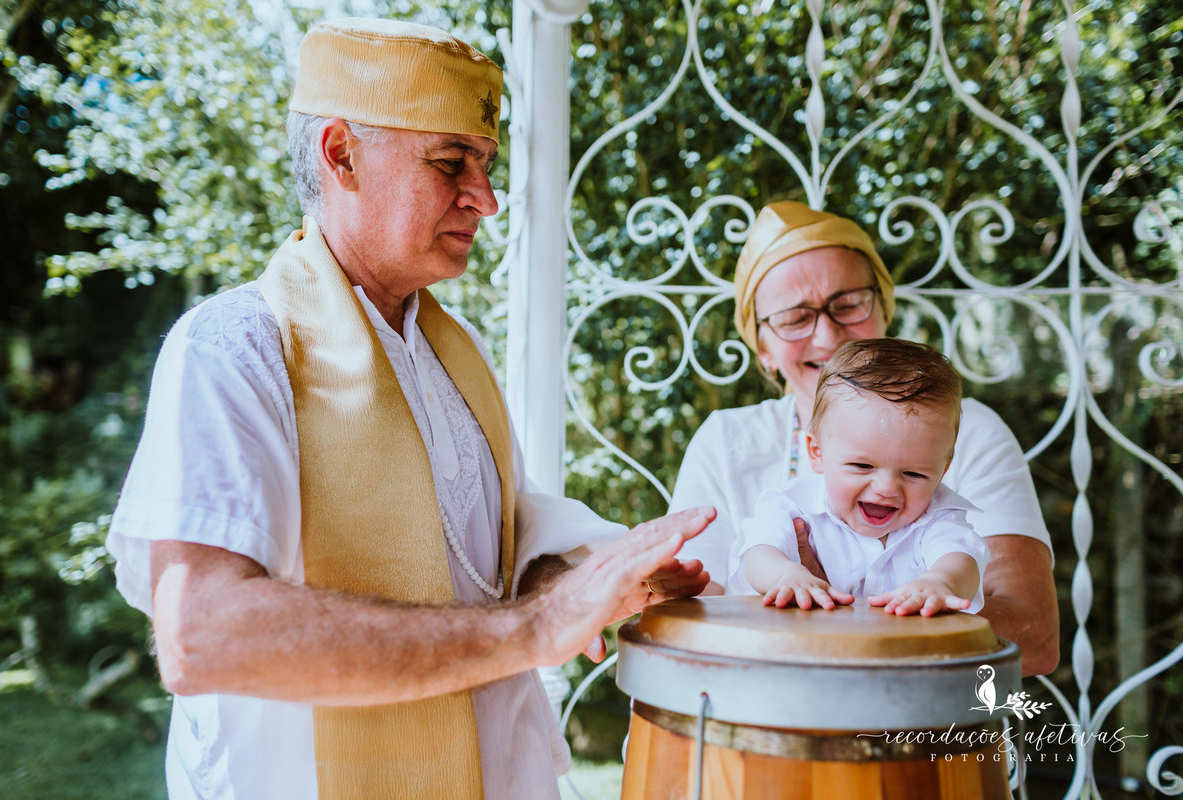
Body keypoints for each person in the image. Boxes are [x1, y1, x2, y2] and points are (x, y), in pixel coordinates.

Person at [106, 18, 713, 800]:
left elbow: (475, 560)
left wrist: (595, 574)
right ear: (340, 153)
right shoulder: (232, 348)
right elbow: (204, 633)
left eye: (486, 165)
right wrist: (533, 630)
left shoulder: (451, 354)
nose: (486, 199)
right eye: (451, 162)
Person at [670, 201, 1059, 675]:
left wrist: (843, 617)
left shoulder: (970, 430)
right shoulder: (723, 442)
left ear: (882, 310)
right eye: (795, 317)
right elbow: (688, 618)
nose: (828, 333)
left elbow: (1035, 638)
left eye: (848, 303)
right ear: (763, 348)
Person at [738, 338, 989, 617]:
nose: (886, 488)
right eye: (862, 465)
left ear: (942, 470)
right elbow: (758, 555)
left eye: (913, 473)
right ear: (817, 452)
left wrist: (941, 582)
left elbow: (960, 560)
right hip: (801, 653)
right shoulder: (792, 505)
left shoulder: (935, 518)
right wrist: (786, 574)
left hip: (901, 657)